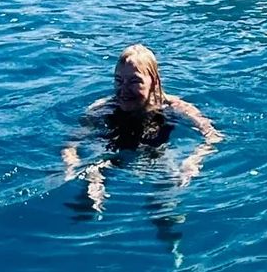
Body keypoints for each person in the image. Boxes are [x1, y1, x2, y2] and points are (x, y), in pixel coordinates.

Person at [61, 44, 223, 214]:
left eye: (134, 81)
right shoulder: (102, 108)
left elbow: (213, 136)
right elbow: (71, 143)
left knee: (171, 181)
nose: (123, 90)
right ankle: (92, 201)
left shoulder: (175, 107)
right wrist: (72, 162)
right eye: (118, 81)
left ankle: (168, 226)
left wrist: (193, 160)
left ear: (154, 81)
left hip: (156, 150)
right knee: (93, 170)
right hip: (113, 146)